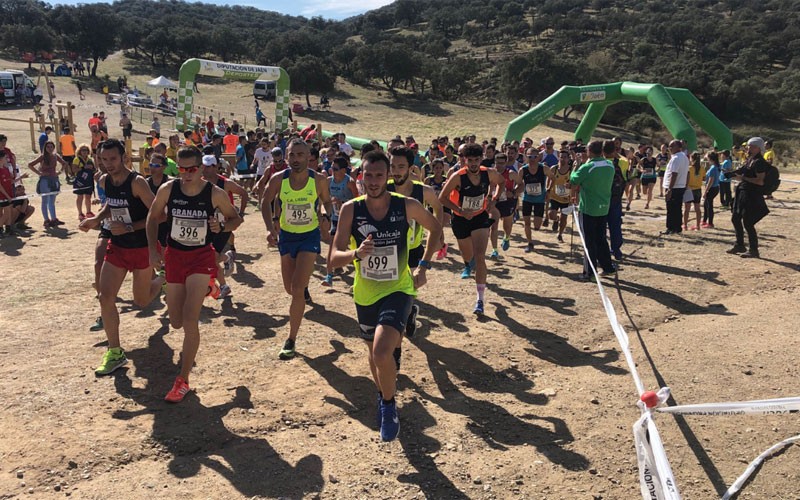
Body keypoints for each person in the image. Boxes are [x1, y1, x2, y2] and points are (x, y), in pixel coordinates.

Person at [329, 150, 442, 442]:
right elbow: (333, 258)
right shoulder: (351, 210)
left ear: (388, 176)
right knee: (373, 353)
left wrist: (424, 265)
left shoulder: (407, 205)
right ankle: (383, 395)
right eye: (368, 175)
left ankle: (390, 406)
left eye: (380, 175)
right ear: (361, 176)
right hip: (365, 294)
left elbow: (436, 228)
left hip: (399, 288)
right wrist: (356, 253)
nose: (374, 181)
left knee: (381, 352)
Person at [147, 147, 242, 402]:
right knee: (175, 321)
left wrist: (221, 226)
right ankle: (211, 288)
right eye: (181, 169)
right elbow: (152, 218)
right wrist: (151, 251)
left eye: (191, 169)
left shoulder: (215, 193)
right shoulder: (169, 189)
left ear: (201, 168)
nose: (186, 174)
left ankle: (183, 380)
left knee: (190, 321)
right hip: (175, 258)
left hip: (201, 258)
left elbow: (236, 219)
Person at [78, 139, 166, 375]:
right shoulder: (106, 180)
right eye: (104, 160)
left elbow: (159, 215)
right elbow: (111, 205)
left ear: (124, 158)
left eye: (113, 159)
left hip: (140, 248)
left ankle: (162, 279)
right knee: (105, 297)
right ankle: (115, 352)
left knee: (142, 301)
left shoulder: (137, 183)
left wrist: (130, 229)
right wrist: (96, 219)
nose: (108, 164)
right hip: (117, 248)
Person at [260, 139, 333, 359]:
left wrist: (327, 216)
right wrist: (270, 228)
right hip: (287, 236)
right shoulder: (278, 179)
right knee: (290, 289)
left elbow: (327, 201)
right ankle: (301, 290)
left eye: (301, 155)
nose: (296, 159)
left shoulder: (318, 180)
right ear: (287, 156)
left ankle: (291, 338)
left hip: (309, 236)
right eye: (292, 155)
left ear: (309, 156)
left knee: (298, 289)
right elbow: (265, 201)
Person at [387, 146, 443, 368]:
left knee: (403, 294)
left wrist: (438, 232)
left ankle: (396, 349)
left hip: (412, 250)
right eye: (392, 166)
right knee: (396, 297)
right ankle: (407, 317)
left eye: (401, 167)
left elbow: (439, 209)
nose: (396, 171)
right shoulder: (383, 187)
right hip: (389, 250)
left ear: (411, 169)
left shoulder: (424, 191)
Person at [438, 143, 504, 315]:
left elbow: (501, 182)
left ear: (481, 159)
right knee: (470, 258)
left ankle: (480, 300)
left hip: (480, 216)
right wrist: (460, 211)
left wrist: (493, 198)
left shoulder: (487, 173)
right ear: (464, 160)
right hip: (460, 220)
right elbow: (442, 197)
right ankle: (469, 263)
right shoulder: (458, 176)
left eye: (476, 159)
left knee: (481, 256)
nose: (473, 163)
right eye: (470, 160)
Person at [201, 154, 249, 298]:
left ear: (216, 167)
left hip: (225, 225)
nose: (206, 169)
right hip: (208, 226)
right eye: (204, 166)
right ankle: (226, 260)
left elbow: (243, 193)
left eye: (210, 166)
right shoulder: (200, 183)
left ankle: (223, 286)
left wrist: (241, 213)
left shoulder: (225, 183)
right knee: (209, 257)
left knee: (212, 258)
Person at [569, 140, 616, 280]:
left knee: (589, 242)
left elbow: (573, 181)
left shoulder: (587, 167)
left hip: (589, 208)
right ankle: (608, 267)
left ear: (589, 151)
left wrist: (576, 165)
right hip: (603, 207)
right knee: (601, 239)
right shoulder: (610, 164)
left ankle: (589, 272)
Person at [727, 137, 770, 258]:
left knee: (748, 222)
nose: (748, 148)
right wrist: (731, 173)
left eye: (751, 146)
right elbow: (743, 170)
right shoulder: (750, 159)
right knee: (735, 218)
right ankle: (739, 244)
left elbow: (760, 181)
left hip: (752, 195)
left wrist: (743, 178)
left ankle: (753, 249)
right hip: (743, 193)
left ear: (758, 148)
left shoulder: (760, 162)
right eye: (748, 146)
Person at [321, 156, 358, 287]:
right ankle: (329, 276)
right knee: (332, 247)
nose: (332, 170)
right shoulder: (328, 181)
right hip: (336, 218)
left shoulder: (349, 182)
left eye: (335, 169)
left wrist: (343, 203)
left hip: (350, 219)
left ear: (343, 170)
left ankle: (343, 268)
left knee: (352, 248)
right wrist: (325, 213)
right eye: (331, 167)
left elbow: (358, 200)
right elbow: (323, 200)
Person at [28, 141, 69, 227]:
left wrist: (60, 171)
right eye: (48, 147)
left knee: (52, 201)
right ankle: (46, 220)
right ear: (45, 148)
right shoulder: (42, 157)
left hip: (54, 179)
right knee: (45, 200)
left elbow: (64, 163)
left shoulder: (55, 156)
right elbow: (30, 165)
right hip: (44, 180)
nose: (50, 149)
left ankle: (54, 219)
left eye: (51, 147)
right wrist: (40, 173)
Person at [489, 152, 520, 256]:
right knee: (493, 226)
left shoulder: (511, 173)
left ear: (506, 163)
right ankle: (494, 250)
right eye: (497, 163)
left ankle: (507, 237)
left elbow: (522, 184)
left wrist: (514, 192)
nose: (499, 166)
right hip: (495, 202)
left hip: (508, 202)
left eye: (502, 163)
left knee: (507, 225)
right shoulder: (491, 173)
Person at [519, 148, 547, 252]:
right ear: (526, 156)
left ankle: (539, 225)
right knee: (527, 223)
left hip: (539, 200)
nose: (532, 159)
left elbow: (552, 178)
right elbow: (519, 183)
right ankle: (530, 243)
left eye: (535, 156)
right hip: (527, 199)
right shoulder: (523, 170)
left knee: (537, 225)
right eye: (530, 156)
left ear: (538, 157)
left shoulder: (543, 168)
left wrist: (548, 190)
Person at [661, 140, 689, 235]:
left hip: (674, 187)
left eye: (671, 146)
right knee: (677, 208)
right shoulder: (684, 157)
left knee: (671, 208)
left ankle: (670, 228)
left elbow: (674, 174)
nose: (670, 148)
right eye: (669, 146)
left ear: (678, 147)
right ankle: (677, 228)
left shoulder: (676, 158)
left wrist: (669, 189)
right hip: (680, 186)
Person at [544, 149, 572, 243]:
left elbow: (575, 184)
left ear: (568, 159)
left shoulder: (571, 170)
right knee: (551, 215)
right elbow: (548, 180)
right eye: (561, 157)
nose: (562, 159)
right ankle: (556, 219)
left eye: (565, 157)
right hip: (554, 196)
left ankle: (560, 234)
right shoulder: (554, 168)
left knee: (564, 218)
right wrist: (547, 189)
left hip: (566, 199)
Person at [72, 144, 96, 221]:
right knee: (80, 197)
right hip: (80, 181)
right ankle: (80, 213)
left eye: (86, 150)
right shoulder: (77, 159)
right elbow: (74, 170)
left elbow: (94, 169)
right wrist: (83, 167)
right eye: (83, 150)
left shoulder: (90, 159)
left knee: (88, 197)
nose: (84, 152)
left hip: (88, 181)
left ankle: (88, 212)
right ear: (80, 151)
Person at [683, 152, 705, 231]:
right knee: (697, 209)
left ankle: (685, 225)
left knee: (687, 209)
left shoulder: (689, 168)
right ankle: (698, 226)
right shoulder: (702, 169)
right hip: (698, 190)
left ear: (692, 159)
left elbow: (686, 179)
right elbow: (703, 178)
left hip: (689, 189)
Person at [702, 151, 721, 228]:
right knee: (706, 204)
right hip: (715, 187)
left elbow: (711, 181)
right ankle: (704, 220)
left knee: (709, 206)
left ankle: (710, 223)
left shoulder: (713, 168)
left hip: (712, 188)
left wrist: (705, 191)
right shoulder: (716, 166)